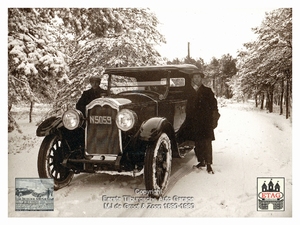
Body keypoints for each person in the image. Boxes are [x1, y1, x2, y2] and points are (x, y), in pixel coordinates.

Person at [180, 71, 220, 174]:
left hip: (205, 121)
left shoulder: (207, 91)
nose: (197, 79)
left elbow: (214, 106)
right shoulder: (188, 92)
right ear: (192, 79)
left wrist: (214, 118)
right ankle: (201, 161)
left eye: (198, 77)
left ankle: (209, 165)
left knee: (207, 142)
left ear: (201, 79)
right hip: (194, 122)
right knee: (197, 143)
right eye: (195, 77)